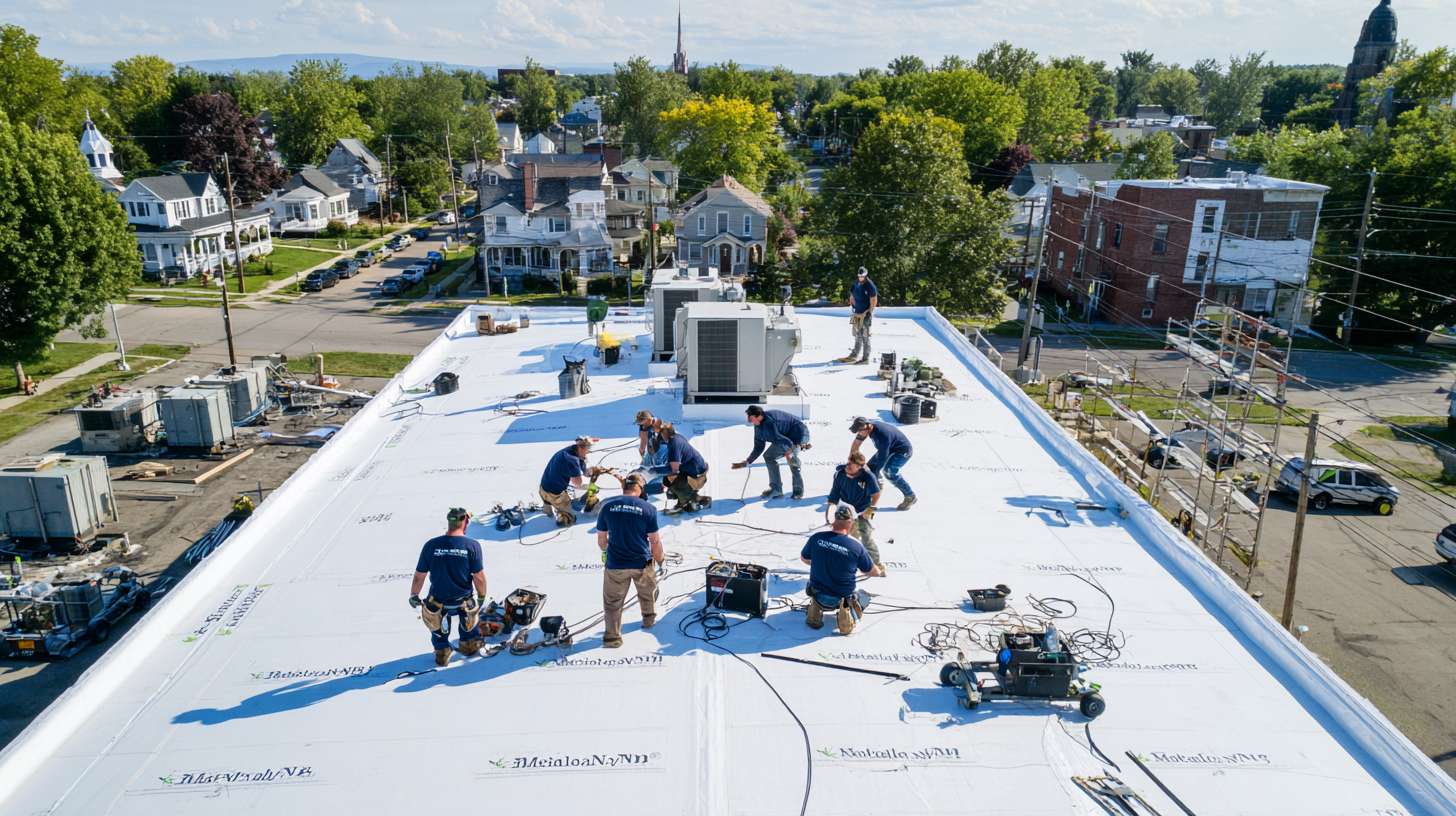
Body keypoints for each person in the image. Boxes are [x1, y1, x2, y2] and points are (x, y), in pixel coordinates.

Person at [409, 508, 487, 666]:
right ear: (465, 522)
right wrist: (481, 596)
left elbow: (419, 576)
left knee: (437, 629)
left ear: (449, 522)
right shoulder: (472, 545)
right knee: (469, 622)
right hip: (463, 600)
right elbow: (478, 577)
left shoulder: (431, 545)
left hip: (437, 601)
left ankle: (442, 652)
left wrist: (414, 595)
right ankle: (469, 646)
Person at [596, 473, 665, 648]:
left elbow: (602, 541)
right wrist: (661, 560)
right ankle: (648, 619)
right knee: (647, 592)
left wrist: (607, 551)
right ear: (640, 489)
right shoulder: (648, 509)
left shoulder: (607, 507)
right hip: (641, 563)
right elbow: (654, 541)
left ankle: (612, 638)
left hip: (615, 565)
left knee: (612, 603)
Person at [800, 506, 880, 634]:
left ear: (834, 520)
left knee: (819, 591)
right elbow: (873, 572)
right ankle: (846, 615)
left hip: (817, 594)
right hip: (841, 599)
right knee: (864, 596)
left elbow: (804, 558)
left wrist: (821, 562)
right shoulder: (856, 547)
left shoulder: (816, 538)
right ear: (850, 523)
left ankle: (815, 608)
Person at [732, 405, 812, 499]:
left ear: (759, 416)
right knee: (769, 456)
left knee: (792, 460)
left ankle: (798, 491)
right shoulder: (758, 425)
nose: (749, 422)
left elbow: (785, 441)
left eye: (751, 419)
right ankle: (776, 490)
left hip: (799, 433)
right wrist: (748, 461)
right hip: (784, 436)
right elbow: (759, 446)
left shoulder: (770, 423)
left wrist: (792, 450)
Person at [826, 451, 884, 573]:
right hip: (846, 508)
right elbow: (834, 493)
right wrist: (830, 509)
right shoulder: (839, 474)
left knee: (866, 537)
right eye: (847, 463)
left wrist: (871, 509)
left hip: (865, 509)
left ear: (859, 467)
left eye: (851, 465)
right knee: (848, 538)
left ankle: (877, 565)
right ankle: (849, 562)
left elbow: (877, 494)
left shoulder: (868, 477)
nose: (847, 466)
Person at [849, 416, 915, 511]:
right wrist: (852, 461)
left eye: (861, 431)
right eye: (858, 431)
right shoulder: (865, 428)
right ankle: (877, 486)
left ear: (869, 426)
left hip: (902, 451)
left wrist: (873, 477)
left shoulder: (882, 435)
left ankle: (910, 496)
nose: (860, 433)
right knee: (870, 469)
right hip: (889, 448)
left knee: (889, 472)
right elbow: (855, 446)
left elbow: (882, 459)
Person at [539, 436, 598, 526]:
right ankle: (562, 513)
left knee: (549, 502)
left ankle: (548, 509)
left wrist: (588, 471)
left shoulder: (571, 450)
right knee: (569, 520)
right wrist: (588, 489)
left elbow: (584, 470)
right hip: (554, 494)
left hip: (543, 487)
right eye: (588, 449)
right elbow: (577, 483)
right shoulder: (571, 460)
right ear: (581, 448)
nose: (588, 452)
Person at [660, 423, 712, 513]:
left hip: (698, 476)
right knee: (667, 481)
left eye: (661, 433)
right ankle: (688, 498)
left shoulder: (674, 444)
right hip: (693, 471)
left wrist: (657, 473)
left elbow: (674, 470)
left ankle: (685, 503)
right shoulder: (676, 437)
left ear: (665, 434)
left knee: (675, 485)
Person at [838, 266, 878, 364]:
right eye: (859, 276)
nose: (861, 278)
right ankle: (854, 355)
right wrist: (852, 303)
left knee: (865, 336)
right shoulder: (855, 283)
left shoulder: (870, 285)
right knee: (857, 334)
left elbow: (874, 300)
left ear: (866, 275)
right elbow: (852, 293)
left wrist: (869, 312)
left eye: (862, 276)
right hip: (856, 312)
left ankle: (865, 359)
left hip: (865, 314)